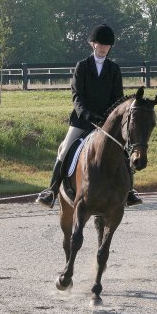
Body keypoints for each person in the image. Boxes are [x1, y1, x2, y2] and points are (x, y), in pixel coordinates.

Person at [36, 24, 142, 208]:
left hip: (107, 123)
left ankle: (129, 191)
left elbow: (117, 99)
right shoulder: (82, 66)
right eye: (100, 45)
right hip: (82, 120)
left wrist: (109, 119)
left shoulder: (114, 69)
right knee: (65, 149)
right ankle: (51, 191)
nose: (103, 49)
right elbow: (77, 96)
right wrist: (86, 115)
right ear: (93, 44)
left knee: (123, 150)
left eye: (106, 46)